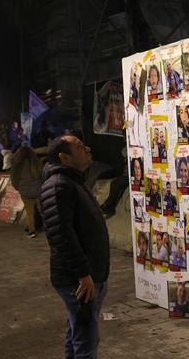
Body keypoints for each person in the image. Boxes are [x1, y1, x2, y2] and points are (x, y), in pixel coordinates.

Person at [40, 135, 110, 358]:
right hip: (78, 280)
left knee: (77, 332)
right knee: (86, 340)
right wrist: (82, 274)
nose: (87, 148)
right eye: (79, 146)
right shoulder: (59, 185)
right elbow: (61, 235)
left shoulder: (72, 181)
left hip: (88, 275)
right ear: (65, 157)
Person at [10, 144, 43, 238]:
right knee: (43, 211)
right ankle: (50, 229)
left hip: (25, 191)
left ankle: (31, 231)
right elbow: (42, 175)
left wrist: (18, 187)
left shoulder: (17, 164)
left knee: (29, 212)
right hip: (38, 190)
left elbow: (14, 178)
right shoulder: (37, 162)